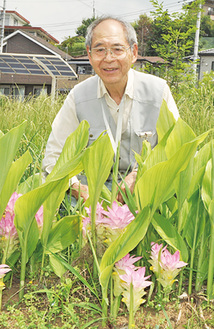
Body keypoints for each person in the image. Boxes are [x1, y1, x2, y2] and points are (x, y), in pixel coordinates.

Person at [42, 16, 179, 203]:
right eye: (100, 50)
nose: (108, 58)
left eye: (117, 49)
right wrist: (78, 189)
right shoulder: (79, 95)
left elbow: (176, 150)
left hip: (146, 188)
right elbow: (53, 158)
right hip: (91, 193)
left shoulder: (158, 91)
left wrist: (140, 175)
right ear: (89, 55)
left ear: (134, 52)